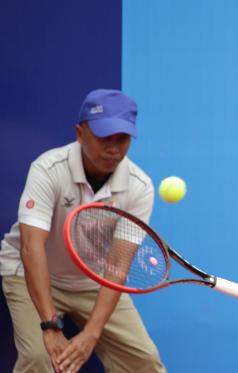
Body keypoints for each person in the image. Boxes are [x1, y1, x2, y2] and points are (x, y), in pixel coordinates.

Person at [0, 89, 166, 373]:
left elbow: (117, 267)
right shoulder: (48, 169)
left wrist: (91, 334)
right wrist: (50, 325)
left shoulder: (140, 186)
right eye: (105, 137)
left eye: (122, 139)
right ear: (80, 133)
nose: (113, 148)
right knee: (41, 359)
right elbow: (31, 248)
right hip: (30, 273)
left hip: (94, 280)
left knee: (144, 362)